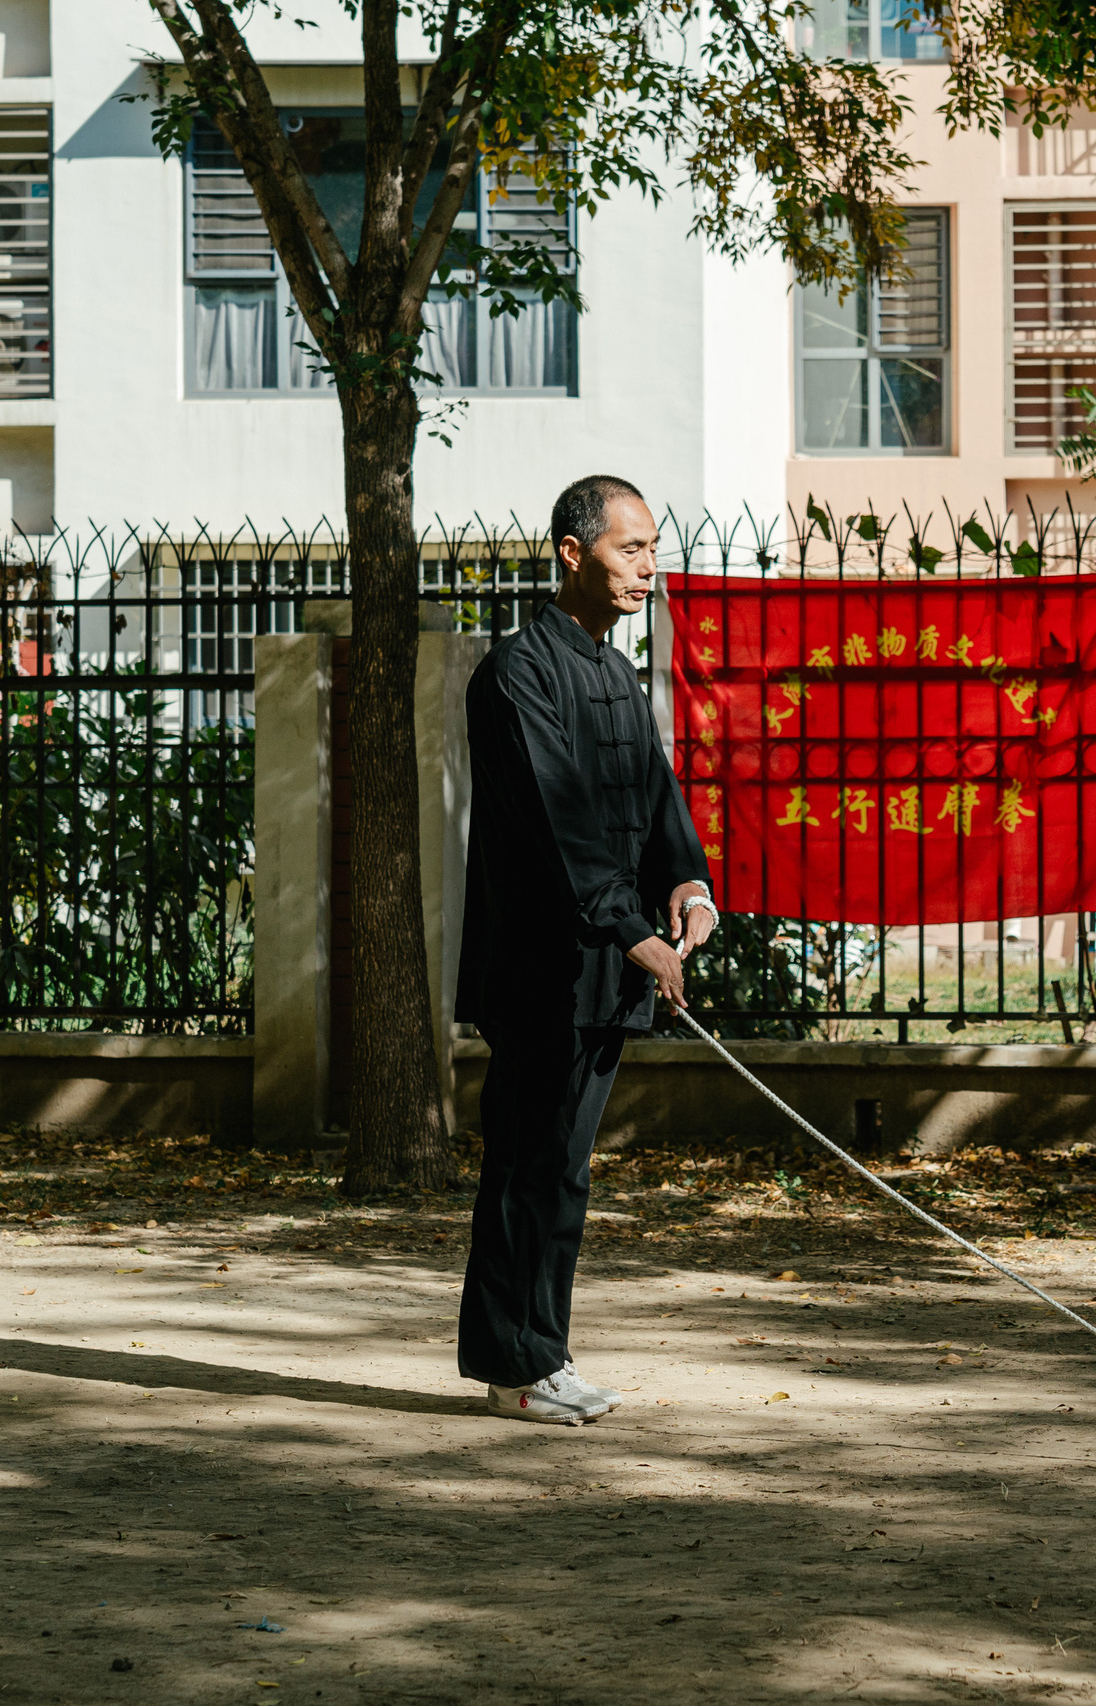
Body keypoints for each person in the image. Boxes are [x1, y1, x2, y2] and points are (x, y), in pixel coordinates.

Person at [453, 474, 716, 1425]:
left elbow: (653, 801)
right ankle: (511, 1365)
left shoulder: (612, 670)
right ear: (574, 553)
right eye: (630, 549)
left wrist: (686, 885)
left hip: (604, 968)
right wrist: (639, 932)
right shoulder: (515, 674)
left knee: (565, 1169)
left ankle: (545, 1352)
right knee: (525, 1166)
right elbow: (559, 823)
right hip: (537, 970)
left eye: (653, 548)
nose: (649, 566)